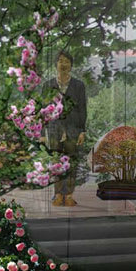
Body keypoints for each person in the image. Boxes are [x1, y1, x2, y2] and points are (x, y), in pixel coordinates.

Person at [43, 51, 89, 207]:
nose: (63, 64)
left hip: (73, 129)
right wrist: (43, 134)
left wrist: (82, 130)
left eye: (67, 61)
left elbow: (82, 108)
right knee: (56, 162)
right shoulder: (48, 85)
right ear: (56, 64)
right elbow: (43, 110)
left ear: (71, 65)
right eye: (60, 61)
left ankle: (68, 194)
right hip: (54, 129)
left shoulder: (79, 85)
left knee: (71, 161)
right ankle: (57, 194)